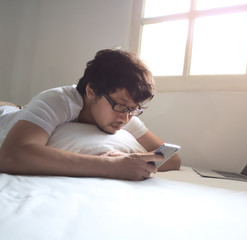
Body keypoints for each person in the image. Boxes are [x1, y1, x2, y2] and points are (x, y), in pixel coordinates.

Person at [0, 48, 181, 181]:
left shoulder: (123, 115)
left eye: (134, 109)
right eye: (121, 105)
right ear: (92, 90)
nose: (126, 118)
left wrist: (135, 161)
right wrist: (111, 166)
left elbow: (173, 159)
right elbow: (11, 155)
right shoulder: (59, 100)